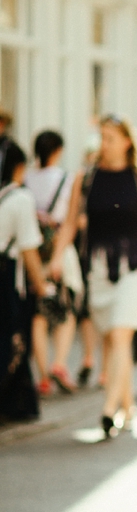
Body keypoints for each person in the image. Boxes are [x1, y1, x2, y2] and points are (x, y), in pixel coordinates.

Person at [51, 116, 137, 438]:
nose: (105, 144)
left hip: (134, 267)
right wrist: (58, 256)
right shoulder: (85, 178)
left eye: (111, 138)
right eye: (102, 138)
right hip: (98, 268)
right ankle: (128, 405)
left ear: (127, 141)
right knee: (113, 341)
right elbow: (71, 222)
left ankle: (108, 409)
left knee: (120, 336)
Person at [26, 131, 80, 396]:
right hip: (59, 248)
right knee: (66, 310)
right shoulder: (66, 179)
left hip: (34, 250)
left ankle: (43, 376)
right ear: (57, 150)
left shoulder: (26, 177)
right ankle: (59, 363)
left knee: (39, 314)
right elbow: (73, 217)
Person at [1, 141, 47, 421]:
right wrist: (41, 285)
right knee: (12, 338)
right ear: (19, 167)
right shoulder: (20, 198)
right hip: (6, 276)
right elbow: (29, 249)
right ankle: (13, 403)